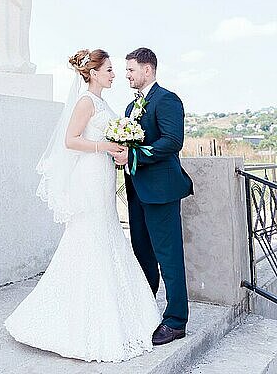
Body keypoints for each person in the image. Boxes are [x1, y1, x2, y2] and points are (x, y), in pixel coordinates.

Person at [4, 49, 160, 362]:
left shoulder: (102, 103)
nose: (114, 75)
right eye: (109, 70)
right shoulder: (86, 102)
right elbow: (70, 140)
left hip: (102, 174)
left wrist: (119, 147)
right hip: (89, 176)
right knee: (91, 235)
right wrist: (104, 145)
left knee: (106, 233)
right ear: (93, 73)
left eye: (115, 70)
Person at [112, 47, 193, 346]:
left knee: (168, 257)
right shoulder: (128, 108)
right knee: (142, 254)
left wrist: (133, 155)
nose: (127, 76)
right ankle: (146, 312)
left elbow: (172, 142)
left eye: (131, 70)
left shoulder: (167, 99)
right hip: (136, 191)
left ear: (147, 69)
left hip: (161, 191)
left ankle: (175, 321)